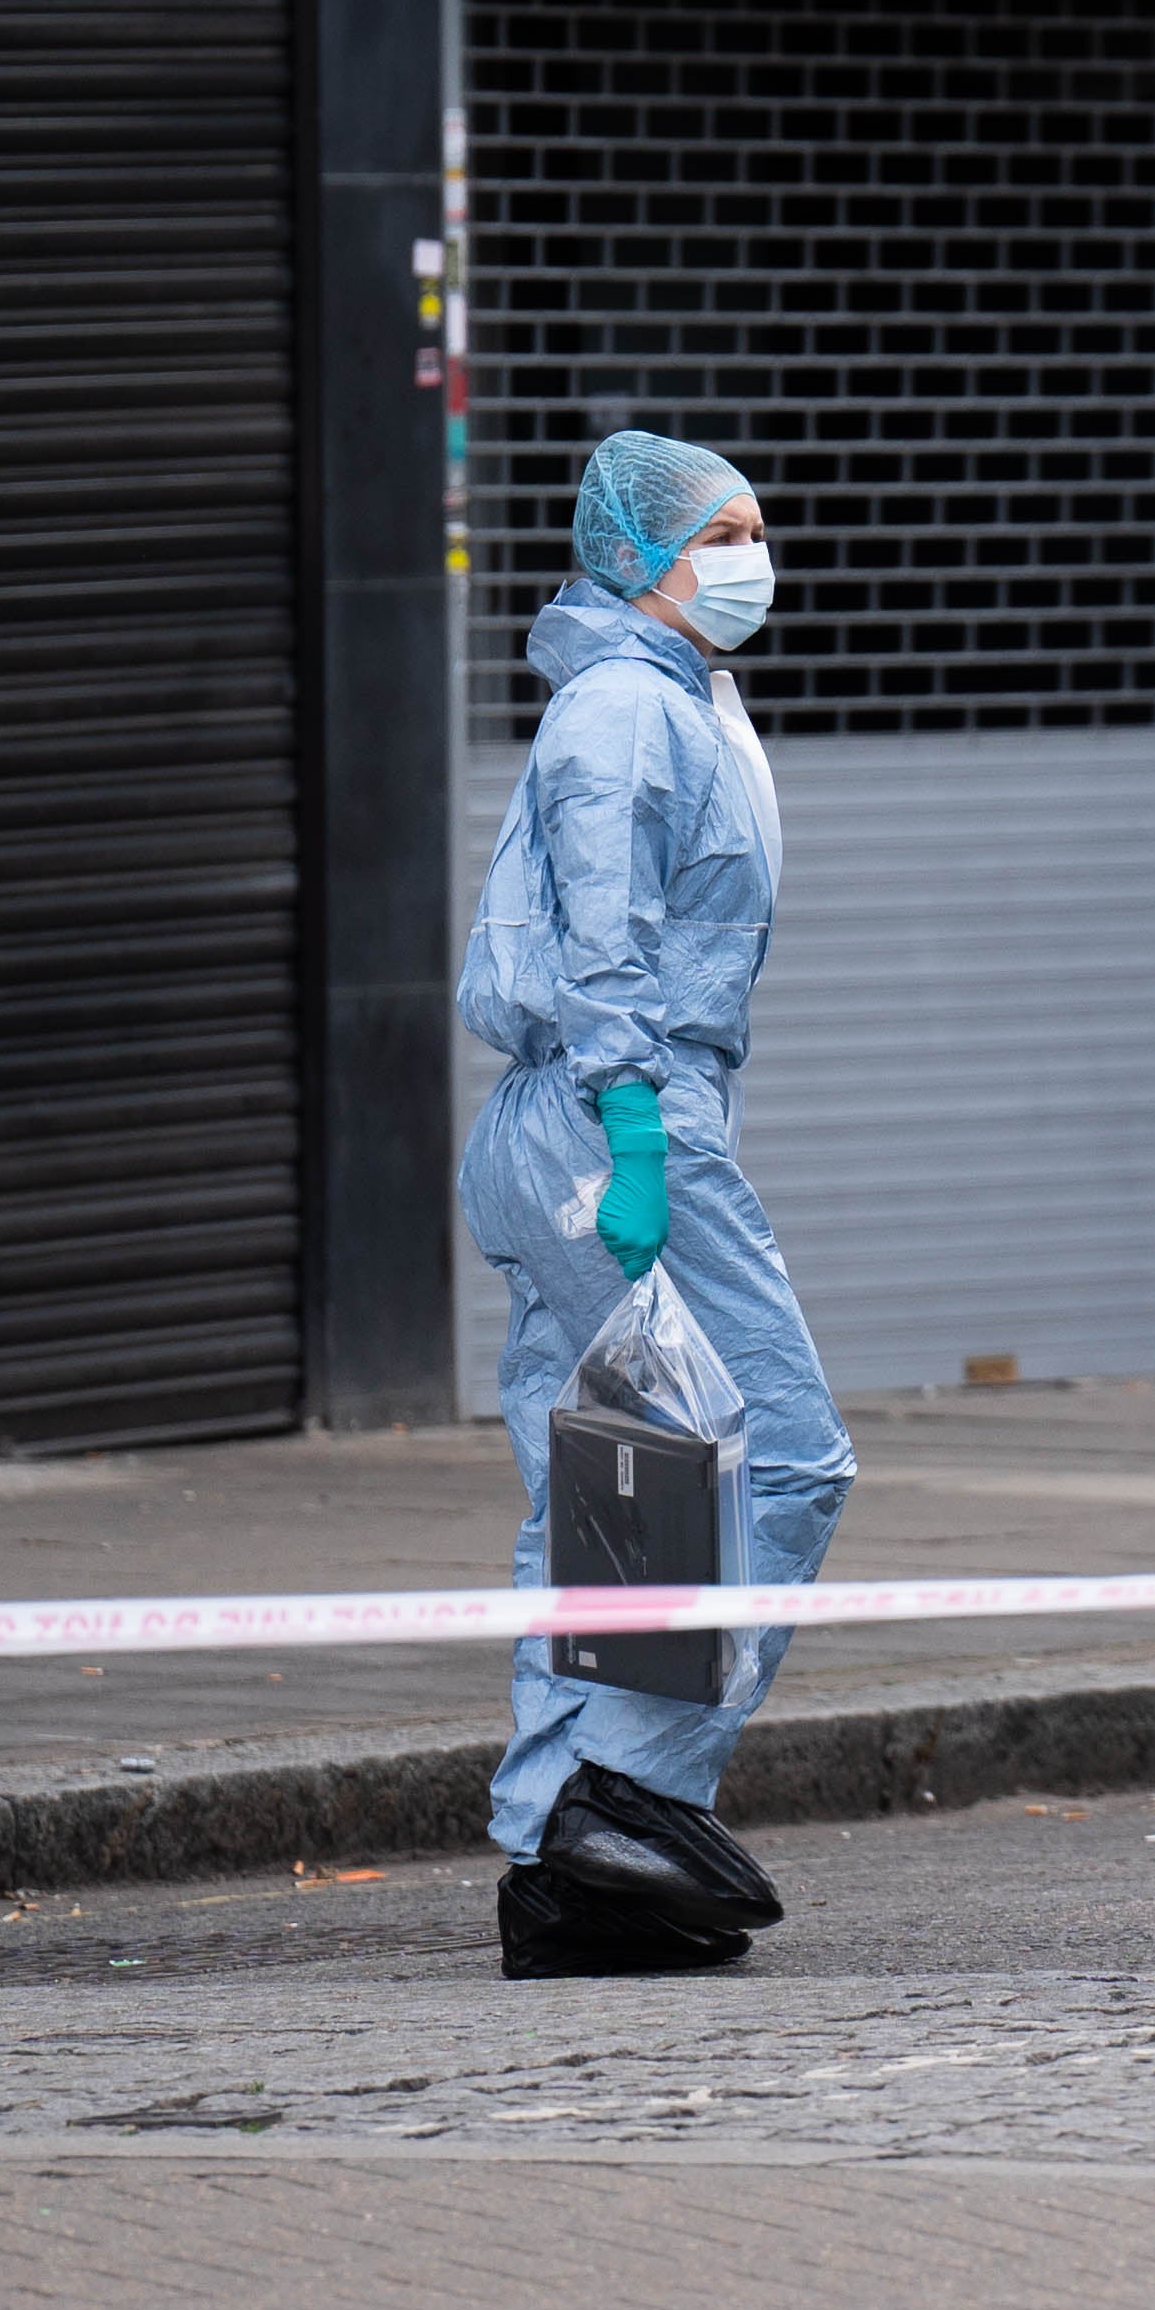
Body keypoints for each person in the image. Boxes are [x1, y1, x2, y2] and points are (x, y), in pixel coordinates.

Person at [458, 430, 848, 1979]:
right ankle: (626, 1804)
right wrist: (632, 1122)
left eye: (759, 524)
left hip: (590, 1116)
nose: (754, 557)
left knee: (606, 1492)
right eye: (724, 533)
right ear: (641, 554)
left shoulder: (672, 698)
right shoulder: (625, 710)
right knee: (783, 1454)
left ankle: (556, 1861)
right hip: (612, 1117)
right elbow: (605, 935)